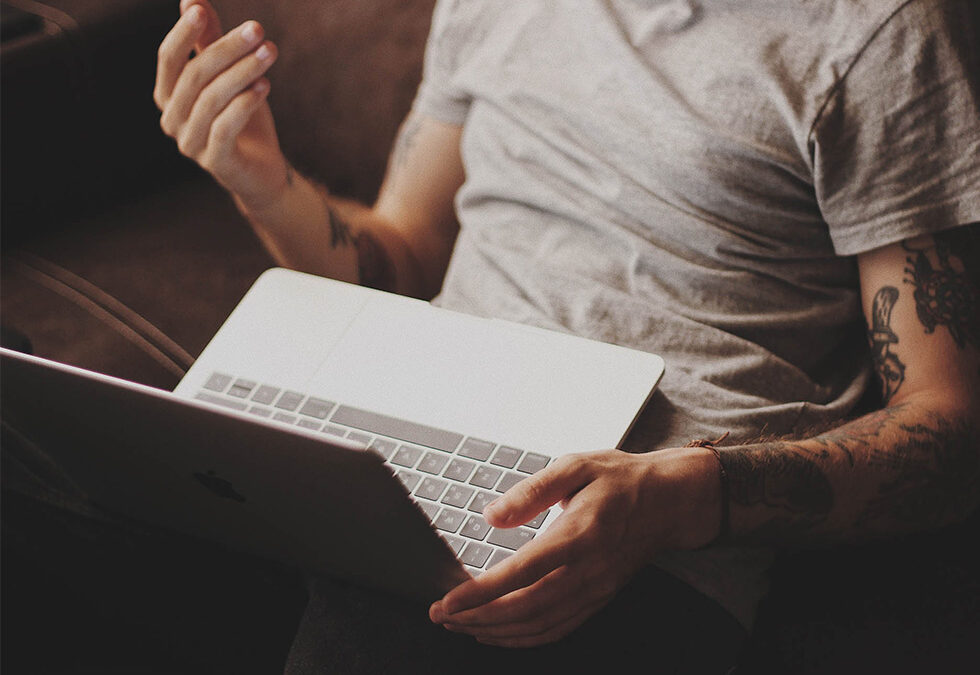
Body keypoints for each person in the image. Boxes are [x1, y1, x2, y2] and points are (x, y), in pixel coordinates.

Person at [153, 0, 979, 670]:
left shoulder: (884, 32)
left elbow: (949, 429)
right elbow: (402, 256)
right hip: (418, 440)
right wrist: (263, 182)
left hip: (625, 546)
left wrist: (685, 496)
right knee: (103, 518)